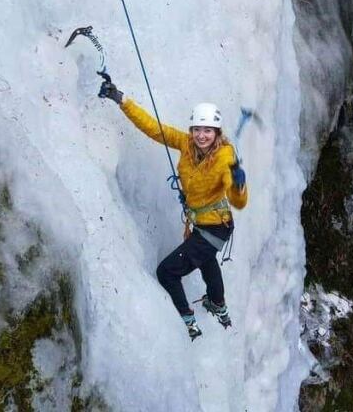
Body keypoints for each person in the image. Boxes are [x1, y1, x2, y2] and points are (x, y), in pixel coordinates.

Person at [99, 80, 248, 340]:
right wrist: (121, 100)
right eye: (198, 130)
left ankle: (187, 320)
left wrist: (238, 182)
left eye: (208, 131)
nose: (202, 136)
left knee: (167, 272)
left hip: (214, 226)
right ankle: (217, 303)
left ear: (217, 133)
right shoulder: (186, 144)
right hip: (204, 223)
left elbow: (238, 201)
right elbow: (154, 129)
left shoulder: (225, 159)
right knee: (206, 260)